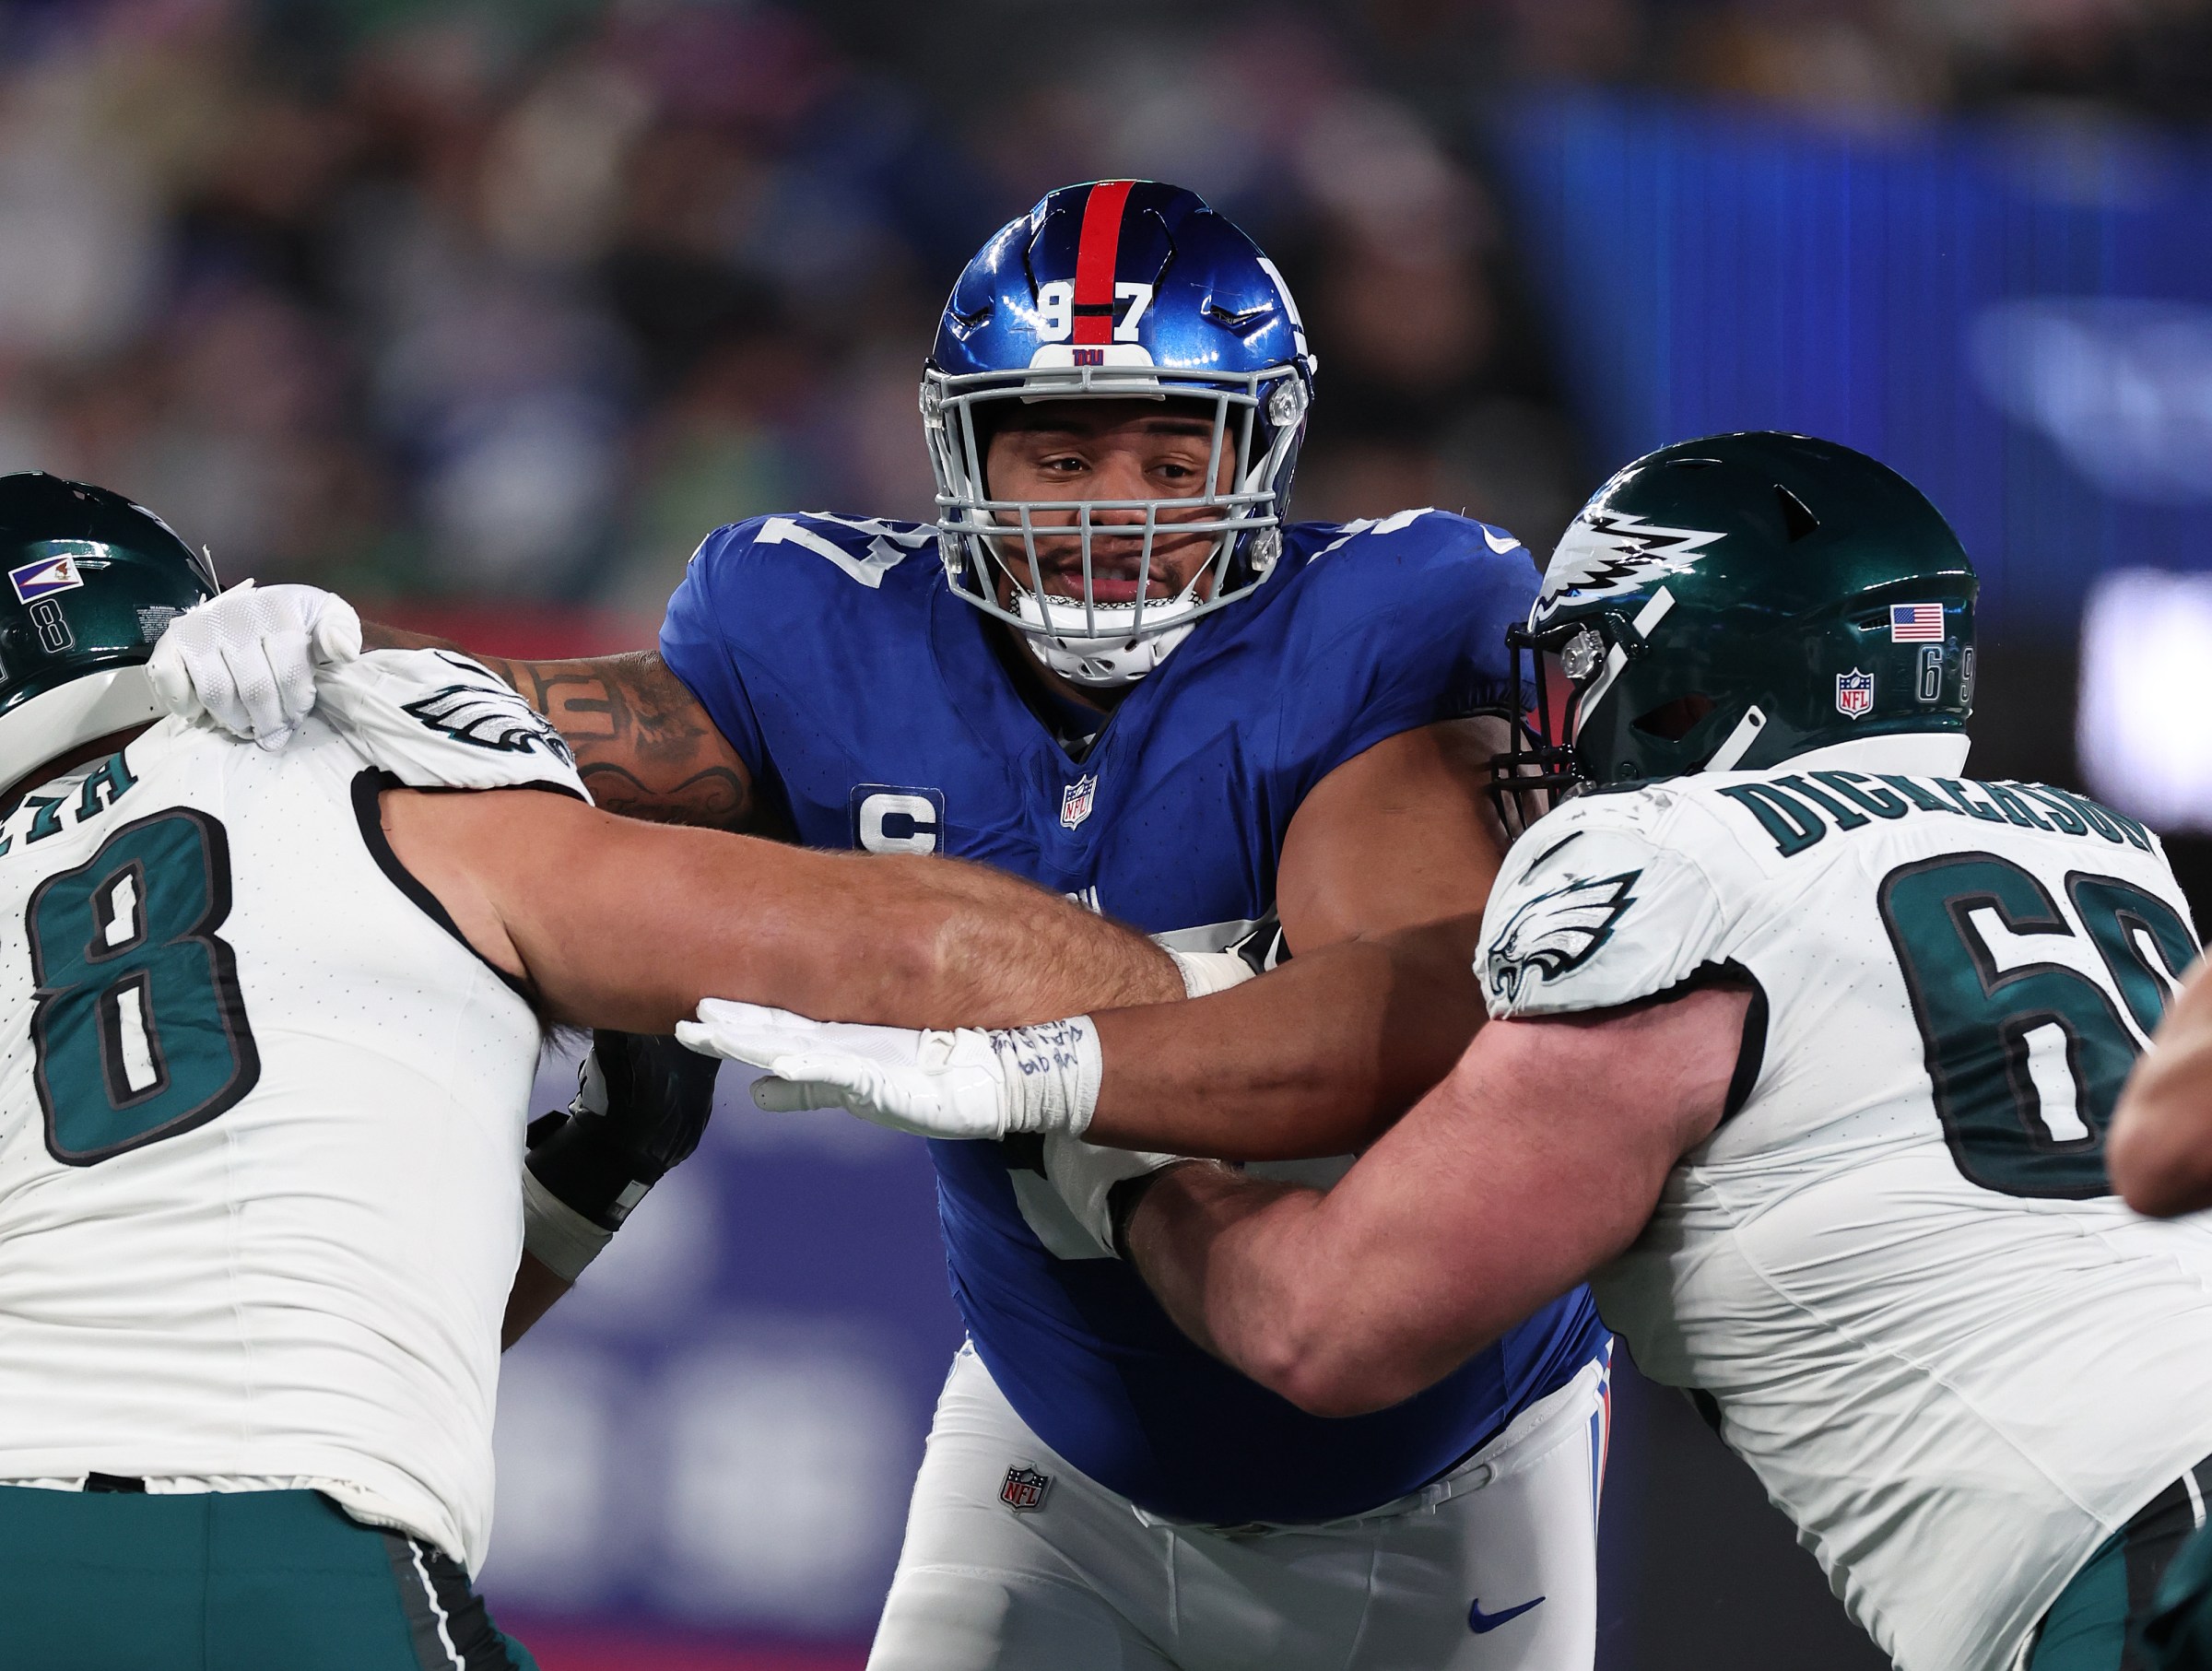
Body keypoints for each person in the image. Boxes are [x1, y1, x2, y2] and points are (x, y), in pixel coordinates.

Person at [157, 181, 1613, 1670]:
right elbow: (561, 744)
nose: (1116, 512)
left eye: (1175, 457)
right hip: (1057, 1453)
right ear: (960, 451)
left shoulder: (1400, 611)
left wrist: (1032, 1069)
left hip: (1433, 1482)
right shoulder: (806, 617)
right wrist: (349, 664)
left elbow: (1404, 1032)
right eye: (1058, 455)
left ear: (1265, 456)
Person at [728, 432, 2212, 1671]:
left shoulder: (1669, 859)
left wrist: (1101, 1146)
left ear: (1688, 679)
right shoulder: (2109, 851)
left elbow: (1329, 1323)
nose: (1541, 723)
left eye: (1578, 669)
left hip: (2131, 1555)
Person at [0, 470, 1182, 1670]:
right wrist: (1244, 1003)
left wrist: (593, 1177)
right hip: (271, 1561)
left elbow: (176, 1320)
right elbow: (915, 953)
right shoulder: (367, 768)